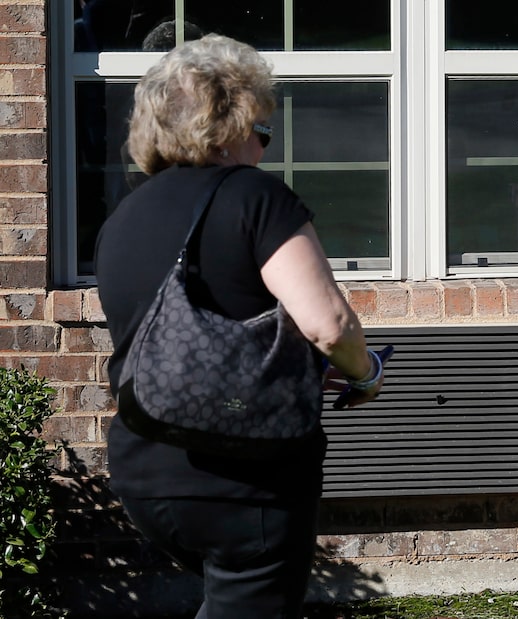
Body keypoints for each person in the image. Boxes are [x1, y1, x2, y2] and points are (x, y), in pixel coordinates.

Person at [94, 34, 383, 618]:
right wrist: (366, 373)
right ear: (227, 128)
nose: (264, 149)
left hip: (145, 472)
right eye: (261, 131)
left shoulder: (123, 217)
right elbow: (327, 324)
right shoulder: (257, 197)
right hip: (242, 475)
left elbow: (179, 335)